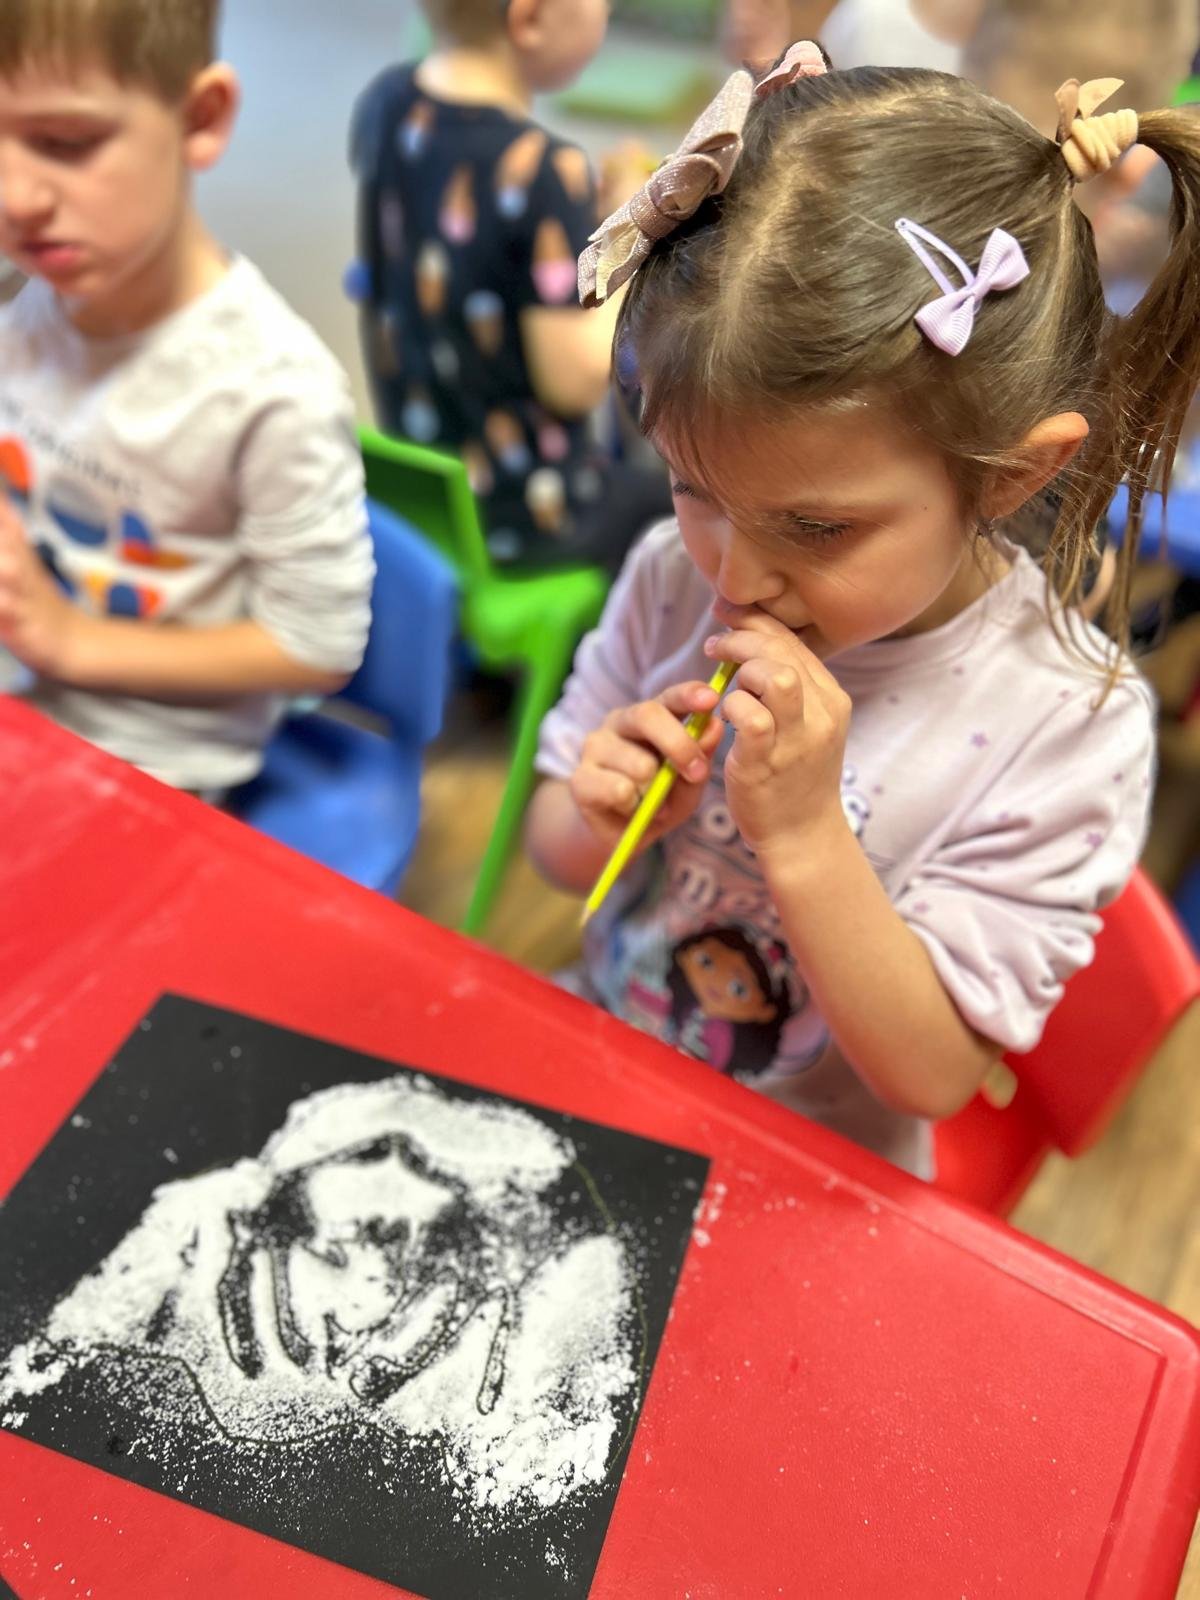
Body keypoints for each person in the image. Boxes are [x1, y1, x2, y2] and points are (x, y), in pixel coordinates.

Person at [525, 44, 1194, 1177]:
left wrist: (802, 837)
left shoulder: (1068, 726)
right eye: (693, 488)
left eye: (816, 526)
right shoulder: (668, 576)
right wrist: (599, 809)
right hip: (606, 1065)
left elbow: (932, 1076)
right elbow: (556, 851)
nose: (736, 576)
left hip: (810, 1168)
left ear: (1012, 476)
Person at [0, 0, 374, 796]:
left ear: (199, 118)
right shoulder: (24, 295)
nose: (15, 197)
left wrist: (69, 641)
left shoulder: (274, 392)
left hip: (146, 765)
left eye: (64, 142)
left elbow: (318, 647)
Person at [349, 0, 673, 575]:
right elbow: (574, 383)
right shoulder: (547, 170)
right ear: (529, 18)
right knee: (682, 507)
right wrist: (633, 229)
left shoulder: (386, 102)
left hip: (429, 497)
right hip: (528, 518)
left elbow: (473, 253)